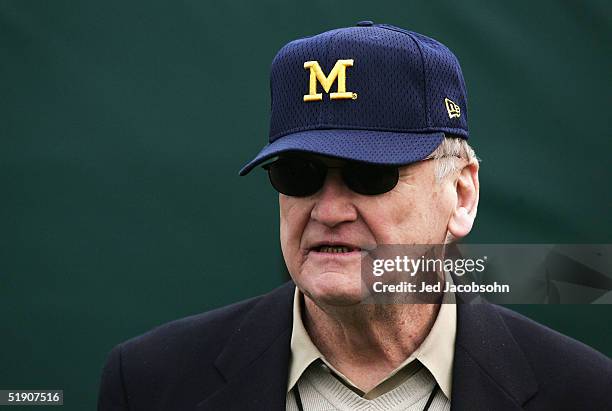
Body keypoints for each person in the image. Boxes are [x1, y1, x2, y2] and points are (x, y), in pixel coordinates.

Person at [97, 22, 612, 410]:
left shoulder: (585, 391)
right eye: (298, 174)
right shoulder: (151, 382)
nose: (329, 209)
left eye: (371, 175)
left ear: (461, 195)